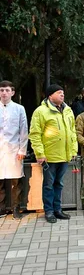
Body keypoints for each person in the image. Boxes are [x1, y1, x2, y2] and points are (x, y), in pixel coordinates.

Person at [29, 84, 78, 223]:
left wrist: (73, 150)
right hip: (49, 156)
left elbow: (72, 131)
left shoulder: (67, 110)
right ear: (50, 95)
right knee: (49, 185)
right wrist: (40, 154)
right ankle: (49, 211)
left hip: (64, 154)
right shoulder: (41, 111)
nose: (62, 95)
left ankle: (58, 209)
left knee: (59, 184)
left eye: (63, 92)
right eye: (59, 92)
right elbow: (35, 135)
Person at [0, 81, 28, 220]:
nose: (4, 93)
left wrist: (22, 150)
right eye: (1, 90)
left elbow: (23, 131)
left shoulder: (19, 109)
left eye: (6, 90)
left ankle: (16, 207)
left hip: (14, 150)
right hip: (0, 150)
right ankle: (1, 208)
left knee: (16, 181)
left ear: (12, 92)